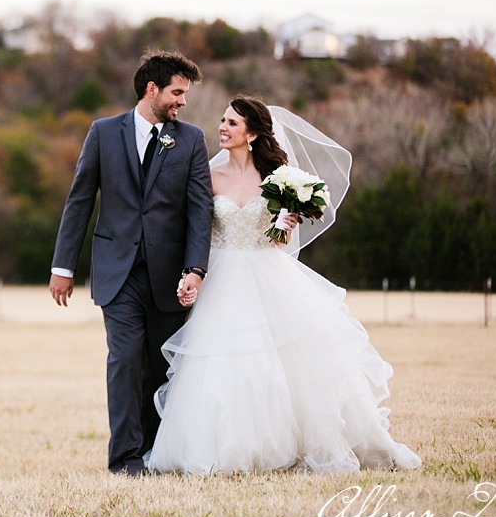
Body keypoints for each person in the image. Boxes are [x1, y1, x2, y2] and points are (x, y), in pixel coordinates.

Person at [146, 95, 422, 475]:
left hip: (268, 273)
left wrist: (285, 226)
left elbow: (278, 242)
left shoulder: (280, 178)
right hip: (224, 276)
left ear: (254, 133)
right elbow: (198, 232)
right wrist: (192, 273)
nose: (222, 128)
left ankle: (300, 443)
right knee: (223, 362)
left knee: (290, 361)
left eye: (232, 123)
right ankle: (224, 450)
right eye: (223, 121)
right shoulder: (208, 176)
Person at [49, 50, 214, 476]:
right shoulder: (103, 133)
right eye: (177, 92)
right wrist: (63, 266)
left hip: (169, 275)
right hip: (116, 272)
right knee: (124, 359)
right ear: (151, 89)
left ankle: (155, 453)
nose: (182, 101)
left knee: (160, 365)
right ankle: (125, 458)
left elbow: (199, 210)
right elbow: (80, 199)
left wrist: (195, 270)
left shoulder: (191, 140)